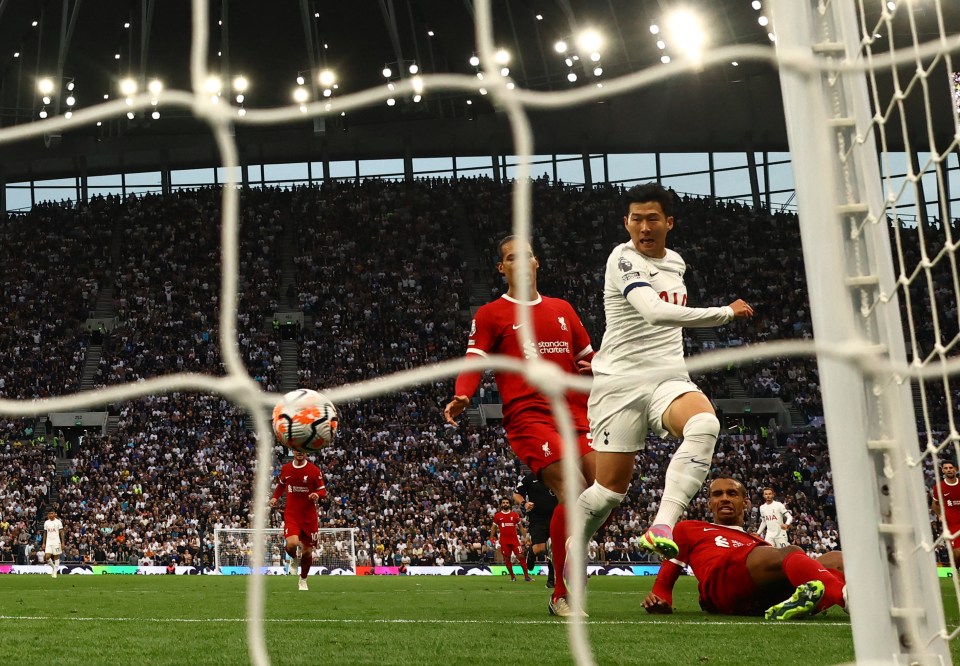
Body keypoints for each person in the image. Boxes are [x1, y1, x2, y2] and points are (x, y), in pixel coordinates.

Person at [575, 183, 755, 560]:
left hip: (668, 378)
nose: (644, 227)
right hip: (620, 384)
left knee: (705, 424)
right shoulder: (622, 259)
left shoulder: (676, 262)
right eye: (636, 219)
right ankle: (571, 543)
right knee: (609, 492)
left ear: (668, 222)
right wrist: (724, 313)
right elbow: (654, 312)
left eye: (652, 219)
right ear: (626, 222)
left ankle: (662, 525)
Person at [444, 235, 596, 617]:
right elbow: (474, 361)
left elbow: (590, 358)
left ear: (536, 262)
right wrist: (464, 394)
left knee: (605, 490)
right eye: (512, 258)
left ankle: (572, 553)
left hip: (577, 413)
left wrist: (599, 369)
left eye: (526, 256)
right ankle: (562, 590)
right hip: (530, 415)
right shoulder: (492, 313)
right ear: (503, 268)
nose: (521, 262)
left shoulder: (563, 308)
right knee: (573, 489)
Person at [642, 477, 847, 619]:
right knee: (792, 552)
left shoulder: (756, 541)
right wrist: (660, 601)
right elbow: (665, 581)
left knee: (837, 559)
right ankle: (846, 598)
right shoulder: (689, 528)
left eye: (732, 493)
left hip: (758, 597)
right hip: (720, 586)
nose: (724, 498)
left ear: (745, 502)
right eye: (717, 494)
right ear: (710, 503)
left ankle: (794, 605)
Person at [269, 449, 327, 591]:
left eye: (302, 450)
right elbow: (281, 484)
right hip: (292, 514)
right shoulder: (286, 468)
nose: (300, 453)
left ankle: (303, 579)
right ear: (293, 451)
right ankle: (293, 558)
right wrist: (275, 497)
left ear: (306, 452)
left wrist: (316, 494)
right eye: (297, 450)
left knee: (307, 552)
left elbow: (323, 491)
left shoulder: (314, 470)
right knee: (292, 543)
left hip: (309, 517)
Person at [514, 470, 559, 588]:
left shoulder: (556, 475)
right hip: (537, 519)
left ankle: (551, 580)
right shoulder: (530, 478)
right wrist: (524, 503)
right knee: (540, 548)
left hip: (556, 518)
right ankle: (531, 552)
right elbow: (516, 494)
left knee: (554, 550)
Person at [491, 498, 532, 582]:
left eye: (506, 502)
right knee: (507, 558)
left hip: (514, 540)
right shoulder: (497, 516)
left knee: (521, 556)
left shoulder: (514, 515)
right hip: (504, 541)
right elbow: (493, 527)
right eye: (503, 503)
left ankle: (527, 577)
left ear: (509, 504)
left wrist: (525, 538)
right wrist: (491, 538)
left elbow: (521, 527)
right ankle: (513, 577)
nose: (505, 504)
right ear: (501, 504)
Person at [931, 460, 960, 564]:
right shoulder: (938, 487)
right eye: (946, 468)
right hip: (951, 525)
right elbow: (934, 504)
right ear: (942, 470)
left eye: (951, 468)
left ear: (956, 469)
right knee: (957, 553)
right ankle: (955, 572)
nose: (949, 470)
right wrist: (939, 514)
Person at [41, 509, 64, 578]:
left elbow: (61, 533)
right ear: (48, 515)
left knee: (56, 556)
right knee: (47, 557)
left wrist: (63, 542)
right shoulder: (46, 522)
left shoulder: (58, 522)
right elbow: (45, 533)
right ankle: (54, 568)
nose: (51, 515)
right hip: (48, 542)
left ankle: (55, 572)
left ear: (54, 514)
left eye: (52, 513)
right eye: (49, 514)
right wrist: (43, 543)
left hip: (56, 541)